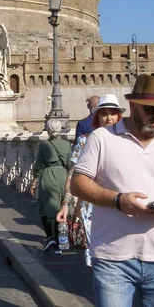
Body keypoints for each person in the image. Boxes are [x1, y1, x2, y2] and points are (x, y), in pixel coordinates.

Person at [72, 75, 154, 306]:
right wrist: (118, 200)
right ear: (132, 106)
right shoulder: (102, 138)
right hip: (113, 259)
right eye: (151, 109)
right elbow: (78, 183)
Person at [56, 94, 125, 266]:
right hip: (91, 206)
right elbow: (73, 175)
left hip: (121, 203)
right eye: (104, 113)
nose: (109, 118)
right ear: (97, 117)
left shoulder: (128, 141)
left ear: (119, 116)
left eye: (113, 113)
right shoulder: (84, 141)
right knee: (98, 256)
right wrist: (66, 204)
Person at [29, 119, 71, 254]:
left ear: (47, 129)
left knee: (46, 208)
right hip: (63, 176)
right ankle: (61, 241)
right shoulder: (66, 144)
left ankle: (50, 237)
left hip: (48, 175)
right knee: (61, 207)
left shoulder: (44, 145)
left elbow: (39, 165)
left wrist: (34, 181)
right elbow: (70, 163)